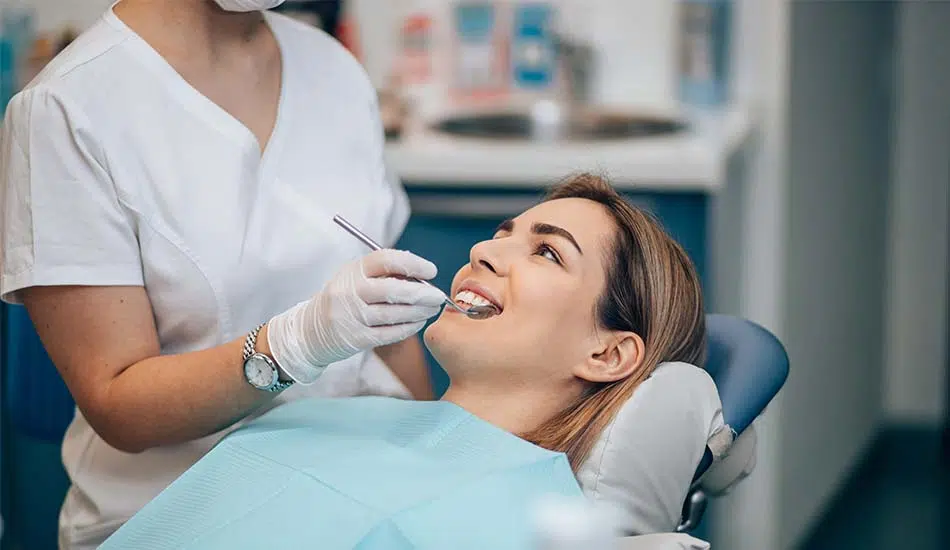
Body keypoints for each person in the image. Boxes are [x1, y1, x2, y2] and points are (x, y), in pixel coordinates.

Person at [0, 1, 447, 548]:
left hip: (347, 499)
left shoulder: (333, 69)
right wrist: (292, 347)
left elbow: (388, 323)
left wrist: (435, 472)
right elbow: (119, 406)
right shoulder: (65, 109)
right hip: (177, 516)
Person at [99, 175, 708, 549]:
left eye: (547, 252)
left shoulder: (533, 526)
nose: (484, 251)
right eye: (504, 232)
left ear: (607, 352)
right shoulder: (322, 418)